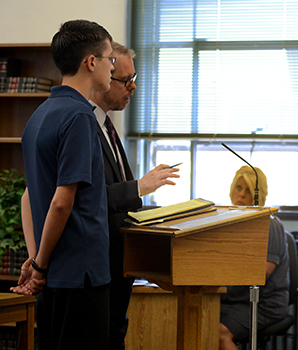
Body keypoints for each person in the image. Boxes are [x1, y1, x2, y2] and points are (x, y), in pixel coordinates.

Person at [13, 19, 115, 349]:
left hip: (52, 275)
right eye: (110, 58)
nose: (112, 67)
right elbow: (61, 201)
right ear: (91, 62)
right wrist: (40, 265)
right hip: (80, 275)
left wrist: (36, 260)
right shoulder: (80, 116)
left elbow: (29, 197)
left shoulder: (39, 115)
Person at [89, 42, 180, 350]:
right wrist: (139, 187)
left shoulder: (109, 126)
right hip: (94, 267)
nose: (134, 86)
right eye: (126, 80)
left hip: (119, 263)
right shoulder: (83, 124)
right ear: (103, 76)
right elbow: (87, 198)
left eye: (135, 77)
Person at [219, 166, 289, 350]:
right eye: (239, 187)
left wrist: (219, 285)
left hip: (263, 303)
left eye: (249, 191)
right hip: (232, 300)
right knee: (195, 320)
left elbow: (260, 275)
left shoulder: (270, 225)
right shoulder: (228, 224)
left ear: (260, 196)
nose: (241, 195)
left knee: (219, 332)